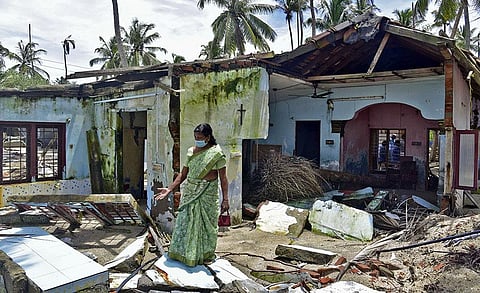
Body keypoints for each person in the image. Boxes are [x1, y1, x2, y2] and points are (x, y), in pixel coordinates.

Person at [154, 123, 229, 267]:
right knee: (185, 223)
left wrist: (226, 199)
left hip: (208, 194)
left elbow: (223, 178)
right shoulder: (191, 152)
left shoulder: (217, 154)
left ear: (207, 137)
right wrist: (169, 189)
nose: (197, 140)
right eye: (195, 137)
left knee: (207, 226)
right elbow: (183, 174)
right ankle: (183, 254)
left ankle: (205, 255)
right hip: (190, 193)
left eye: (200, 137)